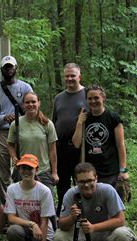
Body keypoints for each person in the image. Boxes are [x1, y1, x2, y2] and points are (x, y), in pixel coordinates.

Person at [53, 162, 136, 241]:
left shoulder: (107, 190)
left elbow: (120, 220)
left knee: (122, 234)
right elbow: (62, 225)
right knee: (59, 237)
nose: (86, 185)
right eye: (81, 182)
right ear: (76, 181)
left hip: (105, 233)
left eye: (90, 180)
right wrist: (71, 217)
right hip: (83, 234)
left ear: (96, 178)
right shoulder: (71, 194)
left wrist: (94, 227)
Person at [4, 154, 56, 241]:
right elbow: (11, 217)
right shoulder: (12, 189)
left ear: (36, 170)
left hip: (44, 235)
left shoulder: (44, 191)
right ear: (18, 169)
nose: (26, 171)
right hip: (27, 231)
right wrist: (32, 224)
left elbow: (44, 223)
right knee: (13, 230)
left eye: (30, 168)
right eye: (23, 168)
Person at [0, 55, 33, 203]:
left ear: (16, 68)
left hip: (22, 131)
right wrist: (4, 118)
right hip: (2, 132)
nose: (8, 70)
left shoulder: (25, 87)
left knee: (25, 167)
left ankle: (26, 203)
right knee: (1, 173)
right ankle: (8, 207)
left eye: (11, 66)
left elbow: (32, 108)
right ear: (1, 69)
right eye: (6, 67)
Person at [71, 84, 129, 188]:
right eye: (90, 98)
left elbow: (120, 145)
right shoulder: (84, 118)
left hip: (110, 171)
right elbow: (76, 143)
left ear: (103, 98)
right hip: (89, 173)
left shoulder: (113, 118)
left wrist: (123, 170)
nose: (93, 101)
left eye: (96, 98)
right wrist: (79, 123)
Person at [52, 63, 88, 217]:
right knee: (62, 185)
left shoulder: (87, 94)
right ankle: (64, 214)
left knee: (81, 181)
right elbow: (54, 122)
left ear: (79, 76)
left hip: (80, 148)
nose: (69, 79)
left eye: (73, 75)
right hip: (61, 148)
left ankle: (85, 214)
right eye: (67, 76)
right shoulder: (59, 98)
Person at [8, 92, 58, 191]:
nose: (30, 105)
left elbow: (52, 150)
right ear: (23, 105)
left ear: (39, 103)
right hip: (23, 171)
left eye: (33, 102)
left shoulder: (47, 124)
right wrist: (13, 156)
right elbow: (10, 144)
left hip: (43, 171)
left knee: (46, 202)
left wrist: (54, 172)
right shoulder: (16, 124)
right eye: (27, 102)